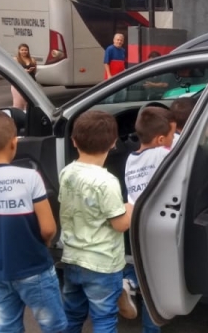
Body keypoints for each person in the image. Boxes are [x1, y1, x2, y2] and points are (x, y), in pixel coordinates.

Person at [0, 110, 66, 333]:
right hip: (34, 267)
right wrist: (43, 243)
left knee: (7, 326)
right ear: (14, 142)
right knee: (53, 325)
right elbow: (48, 228)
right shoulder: (28, 178)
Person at [59, 110, 136, 333]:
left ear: (73, 141)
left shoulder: (67, 172)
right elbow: (119, 224)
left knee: (72, 315)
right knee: (104, 318)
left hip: (72, 259)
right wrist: (129, 208)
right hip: (103, 265)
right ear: (113, 143)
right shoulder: (107, 181)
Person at [123, 106, 177, 333]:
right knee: (154, 288)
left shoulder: (130, 159)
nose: (174, 139)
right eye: (173, 135)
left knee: (143, 268)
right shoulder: (163, 154)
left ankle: (128, 280)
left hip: (137, 224)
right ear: (161, 139)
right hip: (159, 224)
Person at [11, 43, 37, 111]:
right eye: (22, 50)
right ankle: (17, 118)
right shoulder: (15, 59)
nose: (24, 51)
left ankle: (28, 117)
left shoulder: (32, 59)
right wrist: (23, 71)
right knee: (18, 103)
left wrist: (30, 71)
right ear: (19, 50)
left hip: (31, 82)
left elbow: (35, 71)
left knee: (28, 102)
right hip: (19, 83)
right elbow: (13, 70)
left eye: (26, 50)